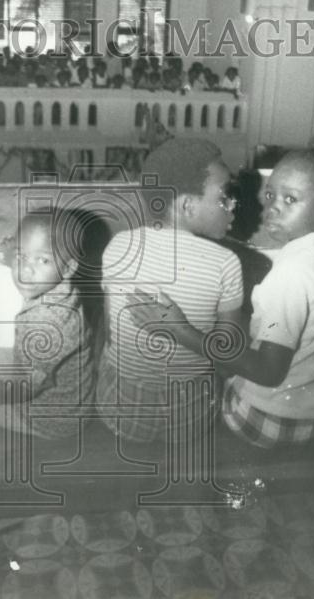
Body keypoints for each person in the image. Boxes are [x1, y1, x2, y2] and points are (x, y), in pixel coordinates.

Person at [97, 138, 244, 443]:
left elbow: (110, 329)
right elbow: (227, 352)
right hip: (187, 416)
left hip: (120, 410)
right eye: (226, 196)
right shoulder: (225, 262)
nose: (234, 204)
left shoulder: (119, 245)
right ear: (187, 205)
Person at [217, 149, 314, 448]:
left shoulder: (291, 275)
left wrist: (184, 332)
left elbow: (268, 371)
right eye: (270, 196)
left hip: (268, 421)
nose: (272, 209)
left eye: (290, 199)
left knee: (206, 351)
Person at [0, 212, 94, 453]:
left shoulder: (47, 324)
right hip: (72, 405)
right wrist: (15, 256)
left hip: (53, 422)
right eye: (20, 257)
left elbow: (29, 385)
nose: (25, 270)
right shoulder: (62, 286)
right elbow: (33, 261)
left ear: (68, 268)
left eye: (42, 260)